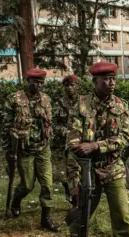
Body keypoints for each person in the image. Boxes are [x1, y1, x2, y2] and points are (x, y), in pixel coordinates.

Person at [66, 61, 129, 237]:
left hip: (113, 168)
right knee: (83, 212)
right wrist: (73, 181)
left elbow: (126, 137)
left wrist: (97, 145)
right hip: (88, 171)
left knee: (122, 213)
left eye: (113, 78)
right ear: (95, 81)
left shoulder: (120, 106)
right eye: (106, 79)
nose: (111, 83)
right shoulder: (81, 105)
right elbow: (72, 144)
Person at [1, 68, 58, 232]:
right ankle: (16, 200)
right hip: (24, 149)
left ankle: (46, 218)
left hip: (43, 148)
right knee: (27, 185)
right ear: (28, 81)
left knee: (47, 184)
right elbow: (6, 126)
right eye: (35, 82)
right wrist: (8, 152)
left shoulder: (46, 99)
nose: (39, 85)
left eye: (41, 82)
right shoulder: (14, 99)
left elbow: (50, 122)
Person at [54, 74, 80, 203]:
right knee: (72, 171)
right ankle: (75, 199)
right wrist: (61, 129)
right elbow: (54, 123)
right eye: (66, 85)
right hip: (67, 143)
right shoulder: (60, 103)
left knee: (81, 172)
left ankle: (77, 193)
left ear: (77, 86)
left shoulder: (85, 102)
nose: (69, 88)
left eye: (72, 85)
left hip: (84, 142)